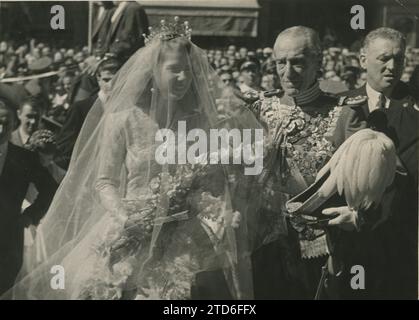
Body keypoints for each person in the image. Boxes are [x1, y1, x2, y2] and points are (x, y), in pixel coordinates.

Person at [5, 17, 260, 300]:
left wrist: (220, 208)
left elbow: (213, 178)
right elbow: (104, 181)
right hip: (130, 224)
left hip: (185, 232)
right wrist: (123, 215)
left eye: (188, 71)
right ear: (153, 70)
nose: (183, 78)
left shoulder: (200, 121)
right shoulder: (122, 120)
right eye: (174, 70)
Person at [247, 26, 362, 299]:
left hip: (317, 245)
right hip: (264, 241)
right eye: (280, 63)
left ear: (318, 62)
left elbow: (358, 183)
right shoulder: (258, 108)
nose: (288, 72)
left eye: (298, 62)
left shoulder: (344, 113)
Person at [332, 27, 418, 299]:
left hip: (399, 244)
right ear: (362, 60)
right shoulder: (340, 106)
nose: (393, 66)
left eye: (399, 59)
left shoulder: (415, 110)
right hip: (347, 243)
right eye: (383, 58)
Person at [0, 99, 57, 296]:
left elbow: (50, 189)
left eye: (5, 123)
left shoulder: (23, 157)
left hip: (7, 243)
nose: (1, 128)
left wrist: (30, 216)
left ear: (13, 124)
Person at [55, 57, 121, 170]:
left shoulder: (126, 107)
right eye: (106, 80)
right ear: (98, 79)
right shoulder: (81, 108)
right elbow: (63, 147)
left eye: (116, 80)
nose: (111, 85)